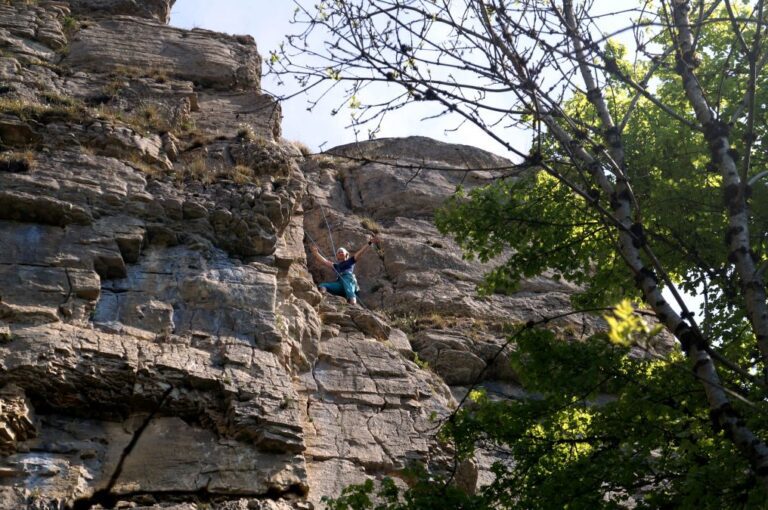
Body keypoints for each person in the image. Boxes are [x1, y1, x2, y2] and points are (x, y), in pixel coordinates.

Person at [310, 236, 379, 305]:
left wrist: (370, 243)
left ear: (346, 255)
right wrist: (316, 253)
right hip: (339, 284)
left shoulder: (351, 261)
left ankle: (353, 304)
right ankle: (321, 299)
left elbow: (360, 252)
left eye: (342, 252)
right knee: (323, 285)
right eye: (339, 252)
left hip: (348, 279)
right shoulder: (335, 266)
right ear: (337, 256)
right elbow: (324, 261)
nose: (340, 253)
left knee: (349, 289)